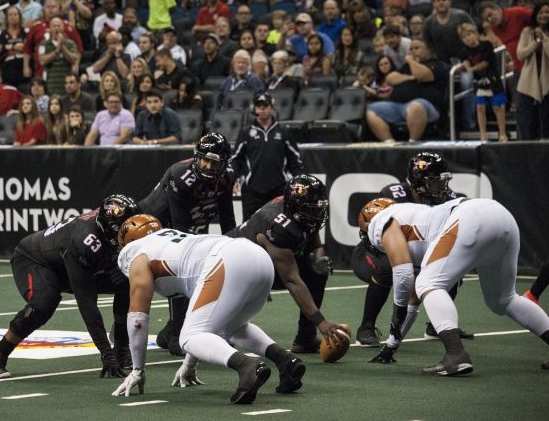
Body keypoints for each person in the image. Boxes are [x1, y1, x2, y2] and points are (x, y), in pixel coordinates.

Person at [111, 214, 308, 403]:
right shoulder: (172, 242)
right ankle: (286, 362)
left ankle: (246, 365)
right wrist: (190, 363)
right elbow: (204, 318)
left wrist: (137, 370)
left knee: (188, 337)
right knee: (234, 326)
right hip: (257, 257)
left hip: (227, 260)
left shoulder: (136, 253)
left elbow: (137, 319)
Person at [362, 197, 549, 374]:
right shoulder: (410, 217)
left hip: (472, 217)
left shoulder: (380, 221)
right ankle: (455, 353)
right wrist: (391, 345)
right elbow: (414, 299)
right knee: (503, 300)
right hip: (501, 216)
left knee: (429, 283)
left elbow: (403, 276)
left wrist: (397, 312)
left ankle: (455, 354)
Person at [0, 194, 141, 380]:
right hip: (37, 261)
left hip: (73, 262)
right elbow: (87, 303)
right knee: (43, 304)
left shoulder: (111, 226)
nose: (130, 233)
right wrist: (106, 354)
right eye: (124, 229)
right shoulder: (84, 241)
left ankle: (122, 347)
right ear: (111, 227)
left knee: (128, 280)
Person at [351, 152, 472, 347]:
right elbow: (380, 238)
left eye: (444, 180)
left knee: (452, 263)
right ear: (419, 181)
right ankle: (366, 327)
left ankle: (437, 325)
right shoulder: (392, 195)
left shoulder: (448, 198)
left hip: (416, 252)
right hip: (376, 251)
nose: (442, 186)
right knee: (386, 268)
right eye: (436, 181)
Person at [138, 132, 237, 355]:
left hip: (187, 224)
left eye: (214, 162)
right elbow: (180, 231)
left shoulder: (228, 176)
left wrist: (235, 256)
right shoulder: (180, 175)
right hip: (154, 225)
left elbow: (228, 221)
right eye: (204, 159)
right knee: (182, 267)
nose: (207, 165)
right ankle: (175, 332)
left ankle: (172, 331)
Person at [227, 175, 345, 353]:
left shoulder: (301, 213)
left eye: (319, 208)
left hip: (262, 261)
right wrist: (321, 322)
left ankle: (305, 338)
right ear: (295, 207)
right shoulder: (278, 227)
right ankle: (213, 333)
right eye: (312, 209)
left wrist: (317, 260)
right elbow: (291, 280)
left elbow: (316, 246)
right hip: (234, 264)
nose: (317, 214)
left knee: (317, 271)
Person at [231, 92, 302, 221]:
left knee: (279, 227)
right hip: (252, 190)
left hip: (278, 189)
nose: (262, 109)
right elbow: (236, 159)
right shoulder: (246, 133)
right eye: (259, 106)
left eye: (265, 105)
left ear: (272, 108)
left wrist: (298, 180)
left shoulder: (283, 132)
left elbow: (295, 160)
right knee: (249, 228)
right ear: (254, 109)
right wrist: (232, 178)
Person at [366, 39, 447, 142]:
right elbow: (390, 78)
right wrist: (410, 77)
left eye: (416, 48)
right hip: (398, 105)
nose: (412, 51)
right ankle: (389, 142)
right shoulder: (406, 67)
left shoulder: (437, 65)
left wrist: (411, 61)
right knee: (370, 110)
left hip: (427, 107)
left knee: (415, 106)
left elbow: (423, 76)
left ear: (428, 50)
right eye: (411, 49)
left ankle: (412, 142)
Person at [458, 23, 508, 142]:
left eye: (469, 35)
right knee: (480, 107)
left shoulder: (486, 45)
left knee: (497, 107)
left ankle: (502, 133)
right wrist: (464, 66)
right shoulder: (465, 50)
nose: (467, 38)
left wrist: (470, 69)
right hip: (479, 82)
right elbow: (465, 62)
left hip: (493, 80)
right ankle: (483, 135)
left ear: (475, 34)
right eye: (464, 37)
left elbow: (485, 63)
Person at [514, 2, 549, 140]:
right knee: (529, 121)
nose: (544, 15)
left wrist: (544, 37)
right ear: (536, 15)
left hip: (547, 82)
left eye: (547, 12)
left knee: (546, 121)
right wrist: (535, 43)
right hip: (528, 82)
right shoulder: (527, 31)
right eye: (541, 12)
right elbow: (520, 54)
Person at [40, 17, 81, 97]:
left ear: (63, 28)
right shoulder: (44, 44)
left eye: (59, 26)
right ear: (50, 28)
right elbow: (42, 61)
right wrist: (57, 51)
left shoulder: (70, 43)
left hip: (67, 85)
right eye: (54, 26)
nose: (56, 28)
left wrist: (62, 47)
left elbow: (73, 60)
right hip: (51, 84)